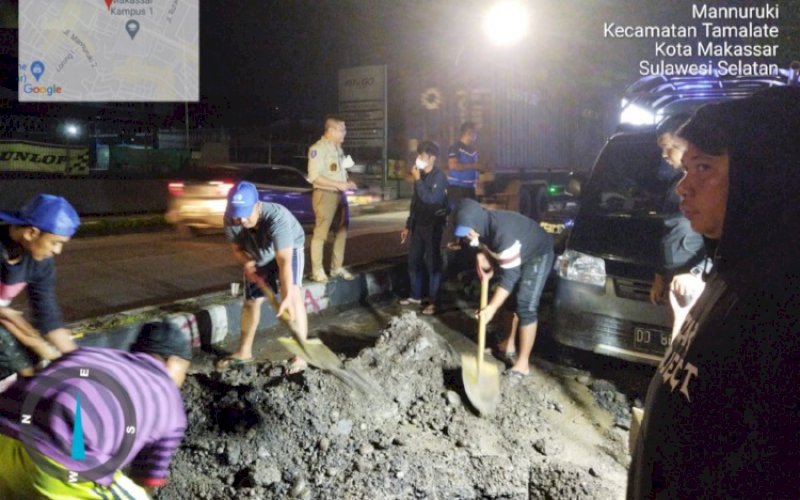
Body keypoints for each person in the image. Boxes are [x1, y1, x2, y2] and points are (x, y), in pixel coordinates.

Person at [628, 87, 800, 498]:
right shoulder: (732, 270)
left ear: (763, 175)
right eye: (685, 169)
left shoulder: (783, 303)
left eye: (703, 168)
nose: (683, 188)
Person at [0, 320, 191, 499]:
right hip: (56, 461)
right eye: (184, 370)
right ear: (172, 362)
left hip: (5, 434)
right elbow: (148, 479)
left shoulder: (90, 354)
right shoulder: (170, 402)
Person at [453, 199, 554, 376]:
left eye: (468, 231)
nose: (467, 236)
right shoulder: (482, 226)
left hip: (538, 253)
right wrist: (483, 255)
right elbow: (484, 244)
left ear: (476, 224)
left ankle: (522, 364)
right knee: (509, 302)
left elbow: (509, 277)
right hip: (518, 249)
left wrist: (491, 309)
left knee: (525, 304)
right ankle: (507, 346)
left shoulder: (502, 234)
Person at [217, 181, 309, 373]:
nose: (240, 220)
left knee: (293, 294)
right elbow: (237, 249)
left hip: (288, 247)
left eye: (245, 214)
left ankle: (301, 354)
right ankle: (244, 352)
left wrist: (285, 298)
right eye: (237, 214)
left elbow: (284, 261)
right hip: (258, 251)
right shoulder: (231, 217)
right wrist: (246, 262)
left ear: (257, 205)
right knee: (251, 301)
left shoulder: (278, 218)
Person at [0, 194, 80, 380]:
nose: (57, 251)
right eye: (55, 242)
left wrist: (78, 359)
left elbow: (47, 314)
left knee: (36, 363)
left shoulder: (41, 262)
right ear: (31, 233)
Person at [649, 114, 705, 308]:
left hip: (695, 282)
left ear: (687, 144)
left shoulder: (711, 184)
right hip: (676, 277)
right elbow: (669, 233)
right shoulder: (677, 183)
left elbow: (721, 238)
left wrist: (697, 273)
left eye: (669, 147)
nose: (664, 154)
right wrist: (661, 275)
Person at [399, 140, 448, 315]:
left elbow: (431, 199)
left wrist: (418, 181)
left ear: (432, 158)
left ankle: (434, 302)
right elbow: (416, 202)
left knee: (433, 263)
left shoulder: (439, 177)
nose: (419, 158)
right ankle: (416, 295)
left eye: (422, 156)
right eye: (418, 155)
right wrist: (408, 224)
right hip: (418, 224)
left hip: (433, 225)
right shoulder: (420, 175)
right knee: (413, 260)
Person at [307, 116, 357, 283]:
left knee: (342, 232)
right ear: (331, 130)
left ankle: (336, 268)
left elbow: (339, 171)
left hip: (340, 195)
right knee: (321, 234)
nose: (345, 133)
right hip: (325, 194)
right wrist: (338, 184)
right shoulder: (318, 149)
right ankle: (317, 271)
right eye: (342, 129)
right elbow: (314, 176)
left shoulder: (338, 149)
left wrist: (347, 183)